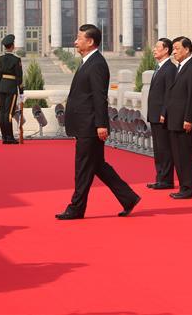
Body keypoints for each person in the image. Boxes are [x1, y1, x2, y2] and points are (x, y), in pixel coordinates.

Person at [56, 24, 140, 220]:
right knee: (98, 166)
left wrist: (101, 124)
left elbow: (99, 97)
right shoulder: (87, 62)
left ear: (90, 41)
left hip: (90, 125)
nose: (75, 42)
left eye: (79, 38)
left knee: (83, 167)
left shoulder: (97, 64)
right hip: (85, 123)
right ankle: (128, 198)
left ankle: (76, 208)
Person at [164, 36, 192, 199]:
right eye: (173, 48)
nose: (174, 52)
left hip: (184, 120)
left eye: (177, 48)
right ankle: (184, 187)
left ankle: (189, 189)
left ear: (187, 49)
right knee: (178, 155)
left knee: (186, 156)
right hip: (174, 119)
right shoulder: (179, 68)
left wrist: (189, 118)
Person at [146, 37, 177, 190]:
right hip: (154, 114)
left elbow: (169, 93)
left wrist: (164, 112)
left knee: (165, 148)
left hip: (162, 115)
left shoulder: (170, 68)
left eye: (157, 47)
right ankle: (160, 178)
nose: (154, 49)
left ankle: (167, 180)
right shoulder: (159, 67)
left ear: (166, 50)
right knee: (158, 149)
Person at [0, 34, 23, 145]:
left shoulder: (0, 59)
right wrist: (21, 91)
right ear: (12, 46)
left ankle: (4, 137)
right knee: (9, 113)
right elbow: (19, 76)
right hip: (11, 87)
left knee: (2, 113)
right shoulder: (16, 60)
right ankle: (10, 137)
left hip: (1, 87)